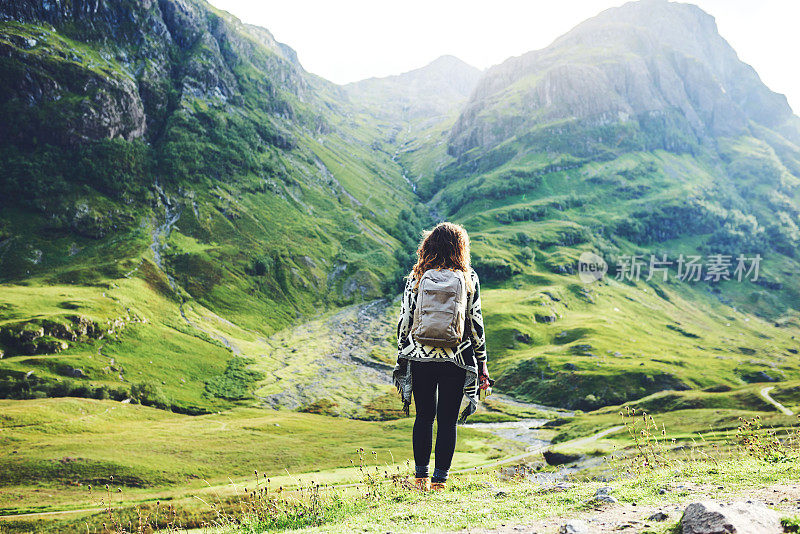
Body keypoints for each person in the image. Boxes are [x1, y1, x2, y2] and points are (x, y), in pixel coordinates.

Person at [393, 221, 491, 492]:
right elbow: (475, 322)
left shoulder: (417, 276)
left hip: (420, 356)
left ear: (429, 245)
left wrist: (404, 350)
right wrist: (482, 361)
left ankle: (420, 479)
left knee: (424, 416)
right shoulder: (468, 277)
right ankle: (440, 483)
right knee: (448, 420)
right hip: (456, 358)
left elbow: (405, 318)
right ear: (460, 248)